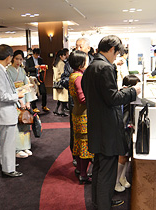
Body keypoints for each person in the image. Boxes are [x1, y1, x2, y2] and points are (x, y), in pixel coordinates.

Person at [82, 35, 141, 209]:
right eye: (116, 53)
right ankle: (104, 204)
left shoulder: (91, 66)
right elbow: (112, 99)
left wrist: (118, 92)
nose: (116, 57)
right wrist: (132, 91)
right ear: (111, 49)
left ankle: (100, 201)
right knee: (107, 170)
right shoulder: (105, 67)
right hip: (107, 126)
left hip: (97, 123)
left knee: (100, 167)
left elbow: (101, 95)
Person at [0, 44, 24, 178]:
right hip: (5, 111)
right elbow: (1, 95)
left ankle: (7, 164)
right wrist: (17, 96)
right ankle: (8, 169)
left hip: (3, 110)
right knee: (8, 142)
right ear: (9, 57)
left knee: (5, 141)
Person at [60, 37, 92, 167]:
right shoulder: (73, 68)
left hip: (86, 107)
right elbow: (64, 80)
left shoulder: (93, 61)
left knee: (86, 136)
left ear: (88, 48)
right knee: (78, 136)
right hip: (78, 106)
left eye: (81, 46)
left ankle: (85, 161)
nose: (78, 49)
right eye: (76, 46)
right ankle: (79, 161)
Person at [68, 50, 94, 184]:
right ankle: (83, 174)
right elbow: (83, 98)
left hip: (77, 112)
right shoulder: (79, 77)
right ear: (81, 62)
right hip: (83, 114)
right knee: (84, 143)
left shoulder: (73, 75)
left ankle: (79, 169)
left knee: (78, 142)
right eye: (86, 60)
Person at [115, 74, 140, 193]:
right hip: (123, 128)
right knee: (123, 155)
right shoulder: (126, 96)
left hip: (128, 128)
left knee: (127, 154)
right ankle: (115, 182)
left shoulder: (125, 94)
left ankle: (122, 177)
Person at [7, 50, 33, 159]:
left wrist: (27, 101)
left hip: (23, 96)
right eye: (17, 58)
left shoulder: (22, 70)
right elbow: (11, 88)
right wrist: (19, 100)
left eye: (21, 59)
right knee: (17, 123)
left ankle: (25, 146)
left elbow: (27, 87)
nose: (18, 61)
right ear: (13, 58)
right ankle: (17, 148)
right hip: (14, 99)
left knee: (25, 122)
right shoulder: (8, 71)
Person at [25, 48, 50, 113]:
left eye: (38, 54)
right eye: (36, 54)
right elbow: (27, 69)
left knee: (44, 91)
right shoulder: (28, 60)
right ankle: (34, 107)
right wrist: (35, 67)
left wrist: (42, 68)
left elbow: (41, 67)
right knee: (34, 92)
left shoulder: (40, 59)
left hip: (39, 77)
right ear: (33, 54)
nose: (37, 56)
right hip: (32, 77)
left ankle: (44, 106)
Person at [52, 49, 69, 117]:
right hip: (61, 82)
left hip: (57, 82)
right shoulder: (61, 63)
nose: (65, 56)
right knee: (64, 98)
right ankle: (61, 111)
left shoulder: (56, 62)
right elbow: (63, 73)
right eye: (64, 55)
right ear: (60, 56)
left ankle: (57, 110)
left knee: (60, 99)